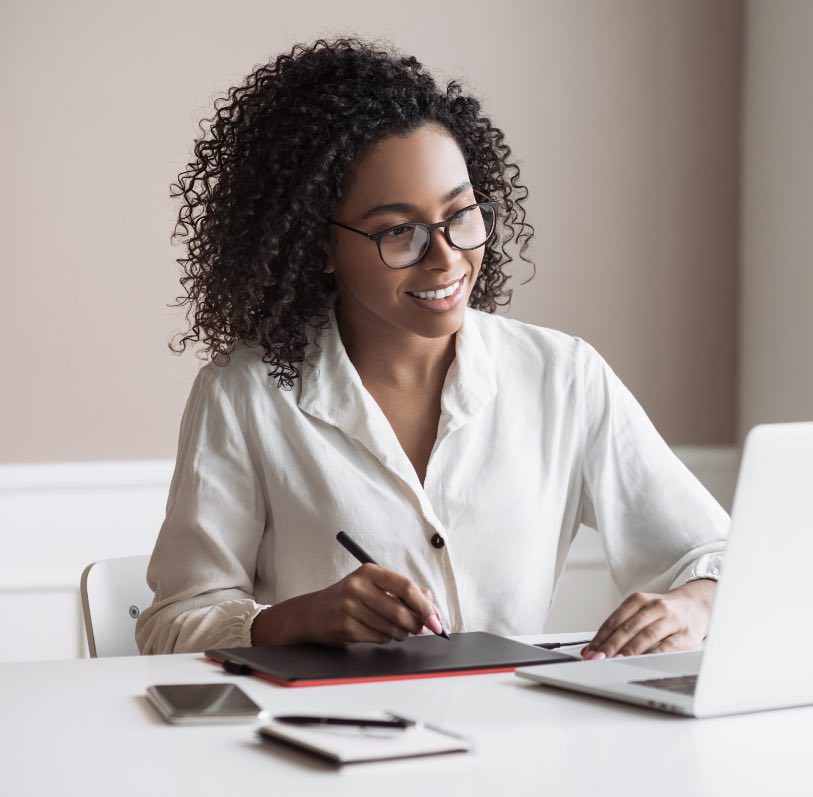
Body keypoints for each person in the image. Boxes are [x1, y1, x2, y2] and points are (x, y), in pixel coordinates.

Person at [136, 37, 727, 659]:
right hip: (327, 740)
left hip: (514, 739)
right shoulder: (247, 394)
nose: (446, 258)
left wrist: (693, 603)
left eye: (462, 214)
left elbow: (714, 553)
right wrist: (295, 619)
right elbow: (169, 626)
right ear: (320, 247)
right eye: (399, 231)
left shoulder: (562, 377)